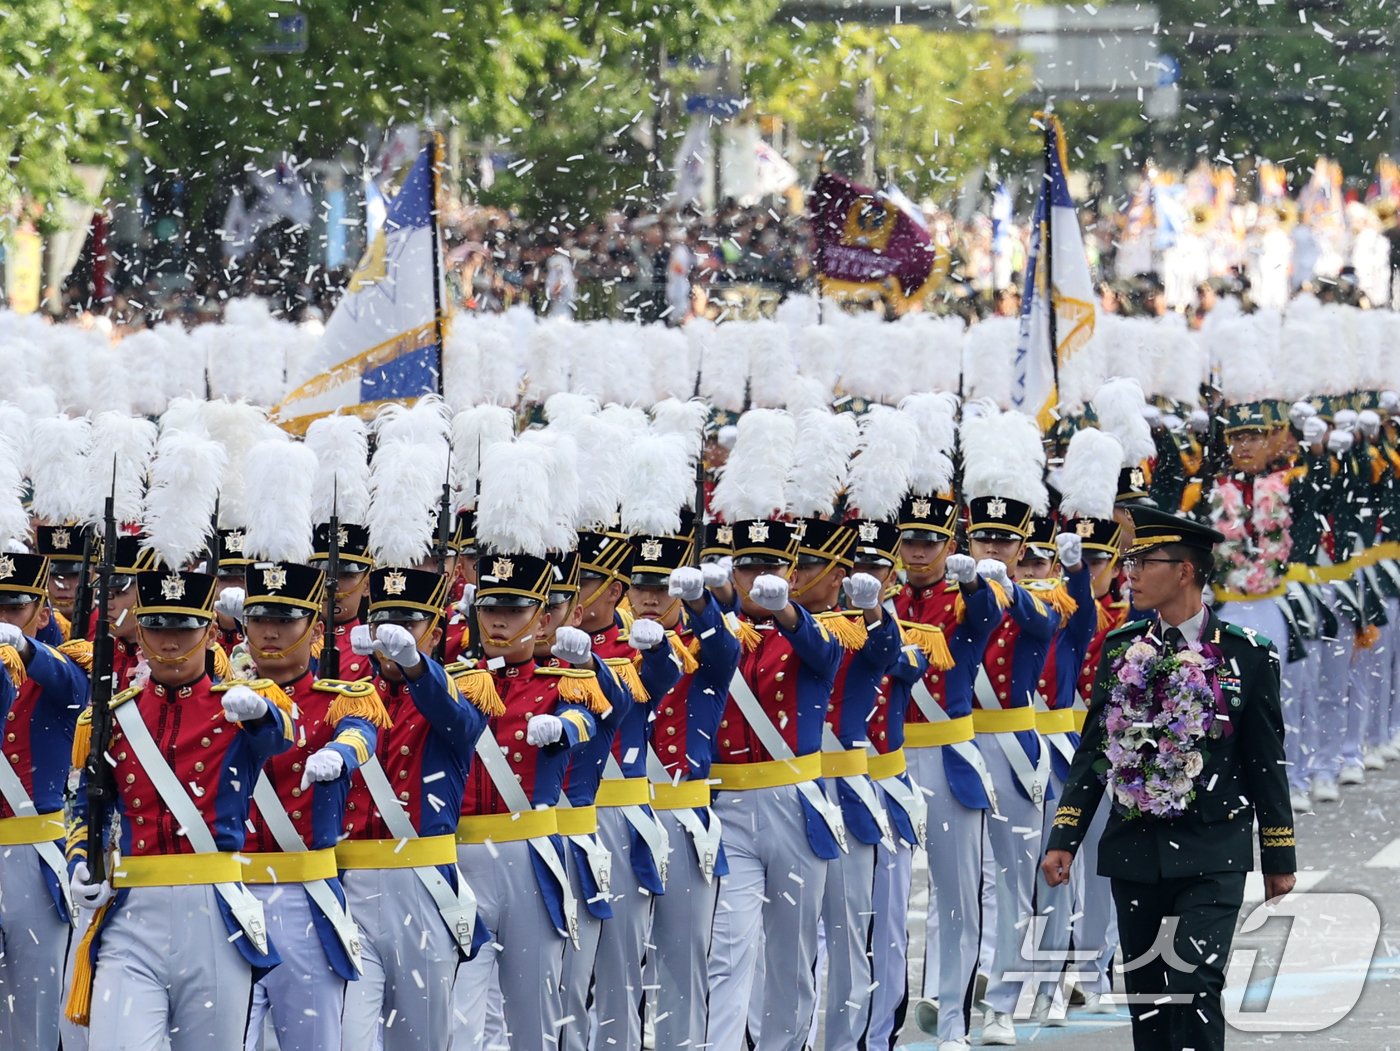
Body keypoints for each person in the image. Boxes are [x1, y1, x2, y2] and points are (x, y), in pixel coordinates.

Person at [1042, 505, 1298, 1051]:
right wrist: (1065, 835)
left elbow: (1264, 759)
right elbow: (1094, 751)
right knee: (1150, 998)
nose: (1129, 574)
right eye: (1129, 562)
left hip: (1213, 847)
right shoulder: (1121, 648)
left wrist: (1279, 852)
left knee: (1196, 984)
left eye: (1143, 563)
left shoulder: (1247, 655)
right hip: (1135, 849)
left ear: (1184, 571)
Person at [0, 547, 89, 1050]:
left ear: (40, 612)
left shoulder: (59, 665)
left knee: (33, 1014)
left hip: (33, 857)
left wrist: (26, 649)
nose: (2, 619)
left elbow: (75, 689)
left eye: (14, 608)